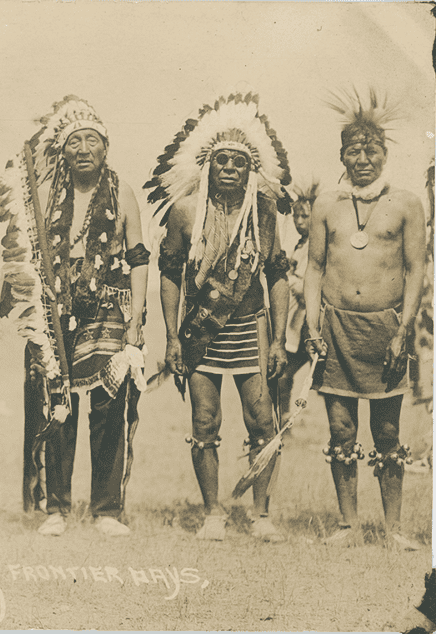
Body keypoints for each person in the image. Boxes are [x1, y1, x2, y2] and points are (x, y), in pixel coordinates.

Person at [0, 96, 149, 537]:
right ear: (62, 152)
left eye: (91, 141)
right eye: (74, 142)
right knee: (55, 403)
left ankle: (106, 510)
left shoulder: (123, 193)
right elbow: (22, 255)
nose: (83, 149)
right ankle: (56, 508)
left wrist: (137, 318)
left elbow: (139, 257)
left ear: (105, 148)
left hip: (108, 309)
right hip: (54, 310)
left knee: (107, 404)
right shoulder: (43, 198)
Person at [149, 93, 292, 542]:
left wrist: (278, 340)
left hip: (251, 328)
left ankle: (261, 514)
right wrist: (172, 336)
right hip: (201, 332)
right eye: (222, 161)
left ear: (251, 170)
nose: (230, 168)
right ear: (207, 165)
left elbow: (277, 277)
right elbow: (169, 274)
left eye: (239, 162)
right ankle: (213, 512)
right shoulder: (186, 212)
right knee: (205, 422)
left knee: (261, 420)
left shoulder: (264, 213)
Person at [304, 89, 426, 550]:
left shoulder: (407, 204)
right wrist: (312, 326)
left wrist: (403, 328)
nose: (362, 159)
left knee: (388, 430)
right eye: (353, 151)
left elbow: (416, 269)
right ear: (341, 155)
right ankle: (348, 525)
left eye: (370, 150)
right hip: (336, 329)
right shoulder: (325, 204)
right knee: (340, 429)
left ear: (385, 154)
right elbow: (314, 269)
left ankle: (393, 529)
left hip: (386, 330)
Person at [277, 181, 318, 420]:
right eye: (296, 216)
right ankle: (281, 416)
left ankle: (282, 417)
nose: (299, 221)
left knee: (285, 373)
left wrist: (287, 277)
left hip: (308, 323)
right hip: (296, 321)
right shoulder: (301, 244)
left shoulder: (316, 246)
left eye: (305, 216)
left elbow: (308, 289)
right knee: (283, 373)